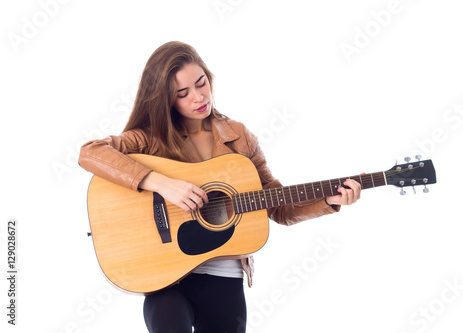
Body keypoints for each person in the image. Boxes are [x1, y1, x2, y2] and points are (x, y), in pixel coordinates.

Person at [79, 41, 362, 333]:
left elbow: (278, 207)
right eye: (182, 93)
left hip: (224, 278)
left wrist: (327, 201)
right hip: (165, 275)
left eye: (201, 84)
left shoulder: (239, 138)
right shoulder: (149, 139)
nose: (199, 97)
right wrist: (162, 183)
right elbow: (90, 153)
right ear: (165, 100)